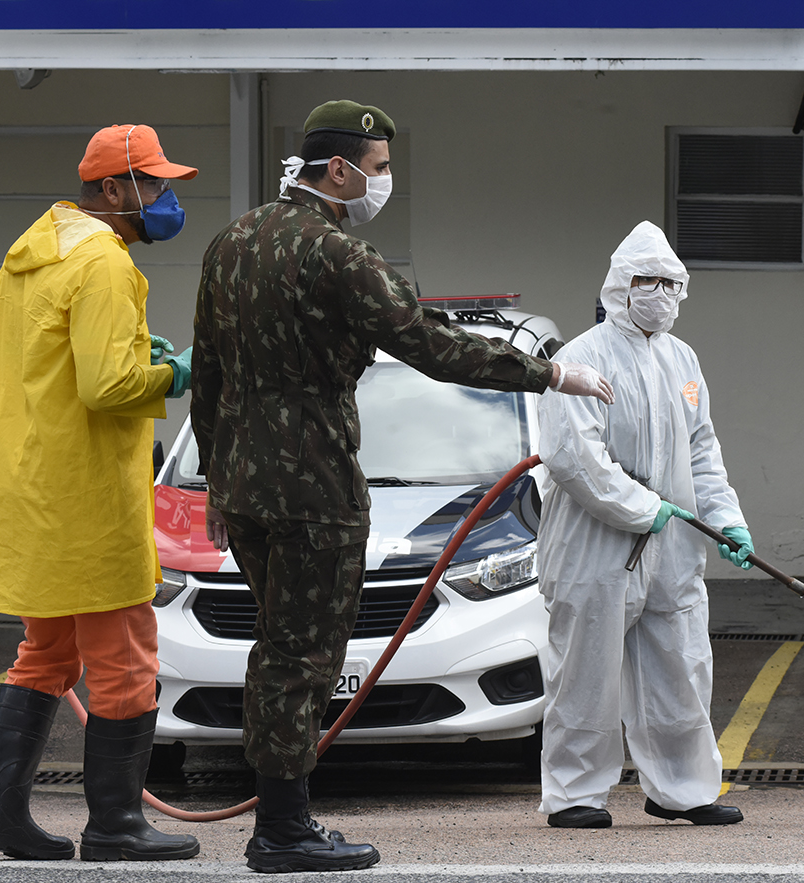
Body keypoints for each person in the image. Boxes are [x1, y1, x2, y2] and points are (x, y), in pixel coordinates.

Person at [191, 99, 616, 873]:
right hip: (315, 478)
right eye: (379, 168)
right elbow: (430, 346)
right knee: (303, 654)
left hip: (246, 482)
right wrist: (550, 372)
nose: (384, 182)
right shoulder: (339, 257)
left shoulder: (233, 241)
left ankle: (282, 817)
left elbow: (209, 369)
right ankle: (283, 828)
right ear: (339, 168)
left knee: (274, 646)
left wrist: (217, 478)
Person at [0, 125, 198, 863]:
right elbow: (108, 387)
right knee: (127, 655)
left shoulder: (34, 249)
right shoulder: (103, 262)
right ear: (111, 190)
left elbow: (59, 364)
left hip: (32, 487)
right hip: (88, 495)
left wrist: (136, 349)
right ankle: (115, 824)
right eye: (153, 184)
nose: (164, 197)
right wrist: (180, 372)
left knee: (47, 650)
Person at [536, 221, 755, 830]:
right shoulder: (579, 359)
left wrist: (727, 520)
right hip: (594, 549)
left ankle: (681, 791)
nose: (660, 292)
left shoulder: (683, 360)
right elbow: (575, 458)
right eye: (648, 281)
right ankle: (576, 794)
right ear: (619, 286)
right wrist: (642, 508)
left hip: (675, 550)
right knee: (585, 672)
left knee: (681, 667)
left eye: (670, 282)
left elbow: (703, 452)